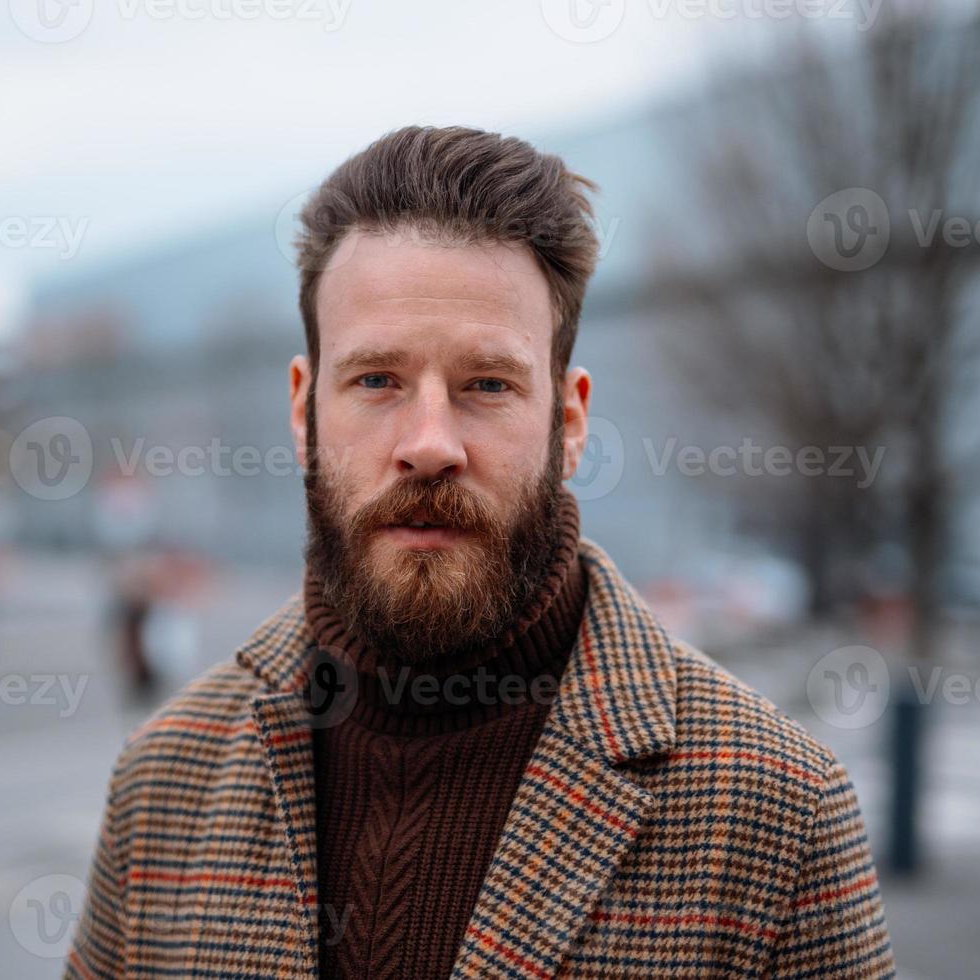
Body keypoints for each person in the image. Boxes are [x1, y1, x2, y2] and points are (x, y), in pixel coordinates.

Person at [64, 126, 894, 978]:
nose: (429, 445)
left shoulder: (778, 812)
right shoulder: (162, 782)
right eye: (377, 381)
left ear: (568, 423)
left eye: (488, 385)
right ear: (303, 410)